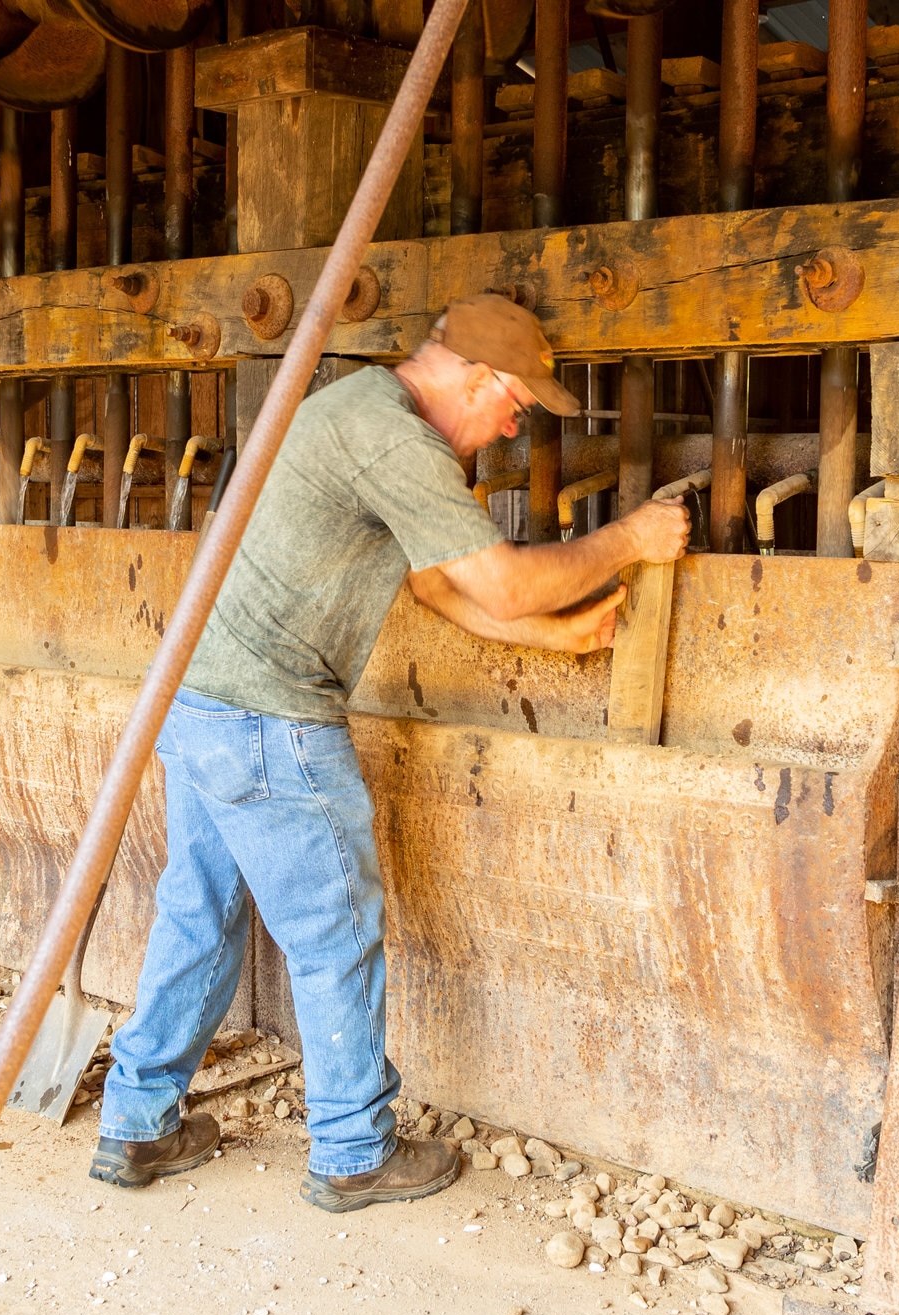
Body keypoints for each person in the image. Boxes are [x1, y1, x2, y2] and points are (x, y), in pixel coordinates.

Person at [90, 295, 691, 1212]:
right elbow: (496, 576)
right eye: (515, 407)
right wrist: (630, 540)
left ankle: (138, 1125)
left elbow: (434, 585)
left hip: (201, 699)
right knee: (334, 934)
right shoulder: (395, 438)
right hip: (271, 721)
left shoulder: (358, 409)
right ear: (480, 378)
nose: (509, 429)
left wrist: (556, 641)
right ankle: (352, 1149)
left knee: (199, 912)